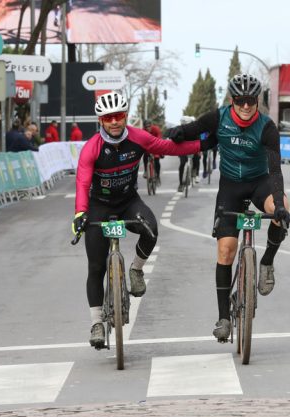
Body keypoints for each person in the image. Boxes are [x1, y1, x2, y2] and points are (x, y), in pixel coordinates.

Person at [72, 91, 208, 349]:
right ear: (100, 120)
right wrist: (80, 213)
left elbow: (168, 147)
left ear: (126, 116)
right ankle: (97, 323)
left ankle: (135, 269)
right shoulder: (92, 148)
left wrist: (204, 145)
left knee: (151, 229)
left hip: (127, 201)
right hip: (98, 205)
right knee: (96, 268)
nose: (114, 122)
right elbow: (82, 182)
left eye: (119, 116)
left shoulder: (138, 137)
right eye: (108, 117)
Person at [166, 73, 290, 342]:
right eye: (240, 100)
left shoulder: (267, 127)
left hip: (260, 182)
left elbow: (276, 171)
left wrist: (278, 205)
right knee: (226, 250)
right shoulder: (219, 117)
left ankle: (267, 262)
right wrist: (175, 133)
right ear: (232, 100)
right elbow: (193, 129)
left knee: (282, 209)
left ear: (257, 101)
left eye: (251, 100)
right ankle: (223, 317)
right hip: (231, 186)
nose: (246, 106)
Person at [176, 116, 202, 191]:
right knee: (182, 163)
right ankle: (181, 184)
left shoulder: (195, 130)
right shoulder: (178, 130)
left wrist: (199, 151)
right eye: (183, 124)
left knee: (197, 157)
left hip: (192, 148)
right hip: (182, 149)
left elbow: (199, 141)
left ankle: (195, 171)